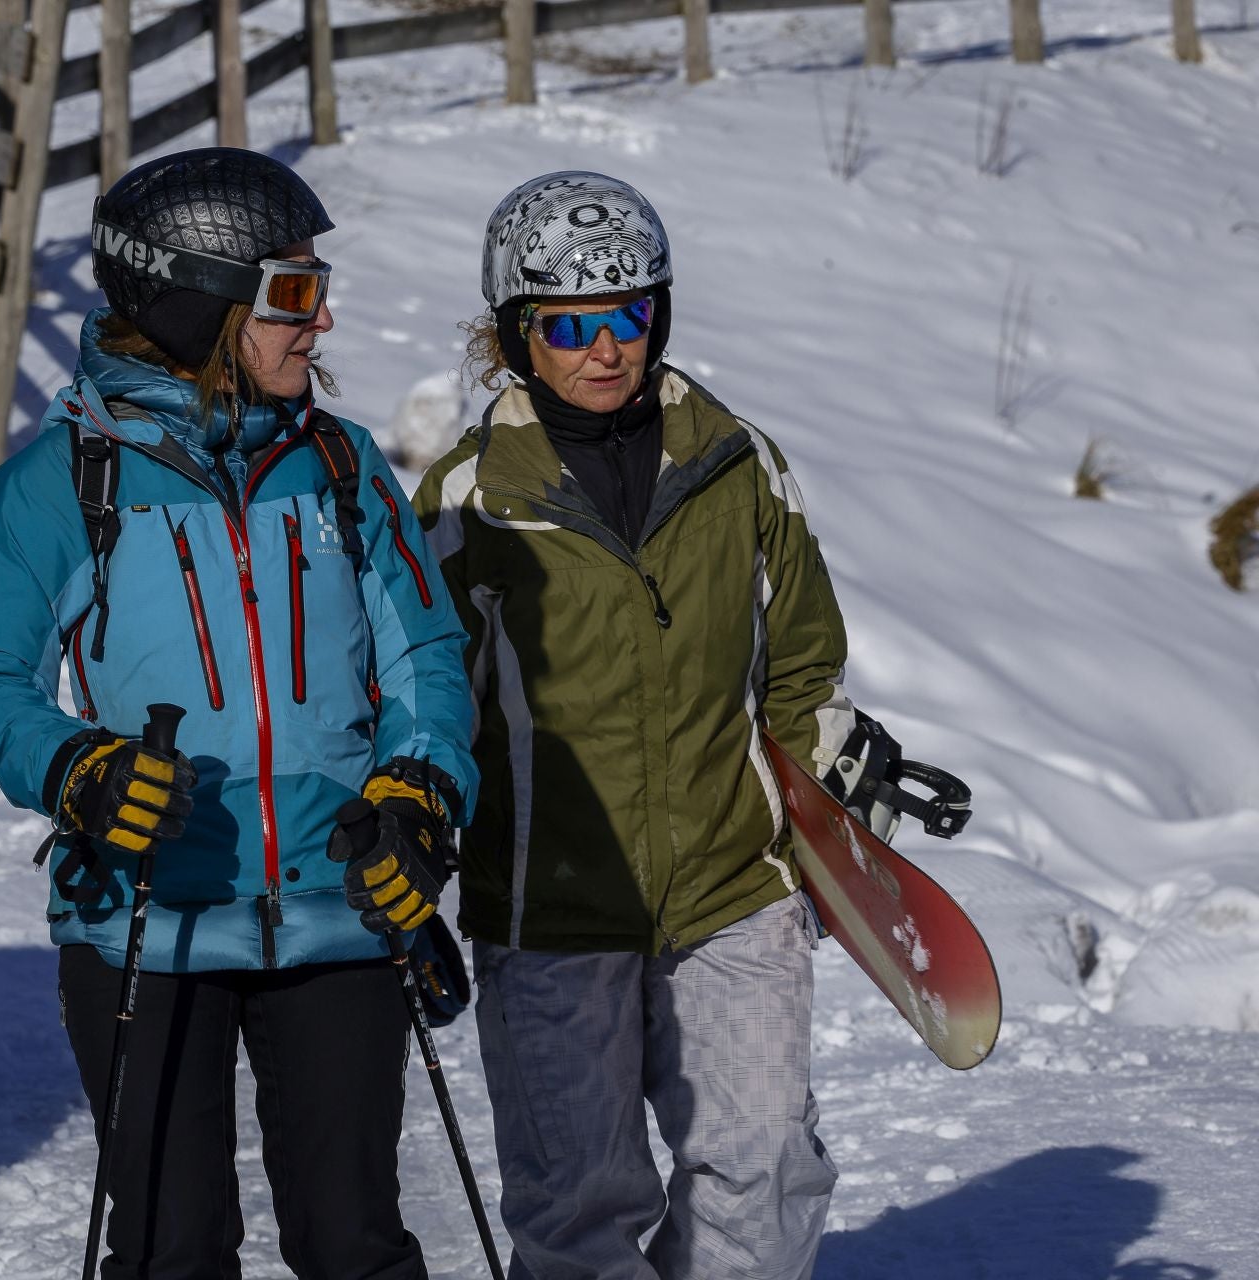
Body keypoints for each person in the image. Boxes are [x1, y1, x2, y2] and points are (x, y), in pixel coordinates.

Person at [0, 147, 478, 1280]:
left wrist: (420, 791)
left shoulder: (340, 466)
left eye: (318, 287)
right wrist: (78, 767)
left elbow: (426, 655)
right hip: (148, 912)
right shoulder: (65, 479)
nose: (320, 319)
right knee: (171, 1247)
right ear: (196, 301)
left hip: (339, 907)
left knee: (354, 1246)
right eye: (291, 292)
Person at [412, 171, 851, 1280]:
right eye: (569, 324)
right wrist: (412, 852)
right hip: (550, 904)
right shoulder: (467, 503)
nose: (607, 347)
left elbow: (802, 661)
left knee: (764, 1169)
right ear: (517, 334)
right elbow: (419, 703)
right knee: (579, 1203)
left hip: (732, 888)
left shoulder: (739, 467)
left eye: (631, 314)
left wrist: (827, 824)